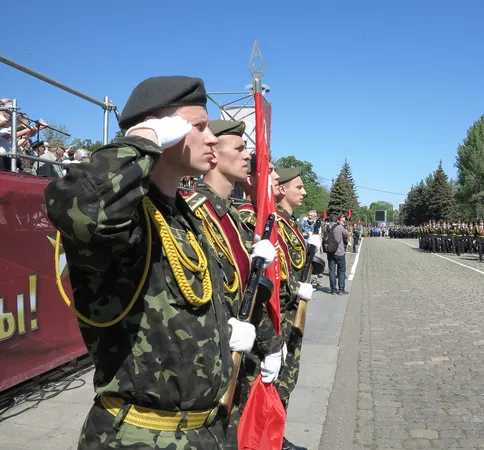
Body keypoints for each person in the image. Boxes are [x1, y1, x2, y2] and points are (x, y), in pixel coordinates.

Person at [44, 76, 275, 450]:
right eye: (199, 126)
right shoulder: (130, 218)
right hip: (143, 435)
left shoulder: (185, 216)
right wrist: (143, 139)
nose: (212, 137)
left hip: (206, 429)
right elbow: (81, 206)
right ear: (164, 129)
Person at [190, 120, 283, 449]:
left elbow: (249, 294)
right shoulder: (193, 214)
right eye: (240, 149)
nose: (248, 157)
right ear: (213, 153)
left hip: (238, 362)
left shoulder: (230, 217)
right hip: (207, 369)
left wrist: (271, 346)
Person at [275, 167, 317, 450]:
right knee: (278, 377)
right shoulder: (275, 222)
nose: (303, 192)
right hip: (282, 314)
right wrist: (294, 288)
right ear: (282, 190)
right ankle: (272, 436)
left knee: (288, 376)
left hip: (294, 313)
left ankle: (277, 435)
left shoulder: (291, 224)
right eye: (298, 187)